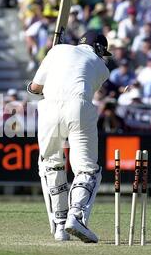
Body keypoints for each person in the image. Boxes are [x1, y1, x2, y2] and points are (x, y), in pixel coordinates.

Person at [27, 30, 111, 243]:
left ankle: (60, 227)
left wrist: (52, 53)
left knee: (50, 165)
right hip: (78, 107)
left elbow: (36, 88)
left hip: (48, 109)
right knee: (87, 168)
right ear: (99, 49)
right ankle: (76, 216)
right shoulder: (102, 67)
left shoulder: (56, 50)